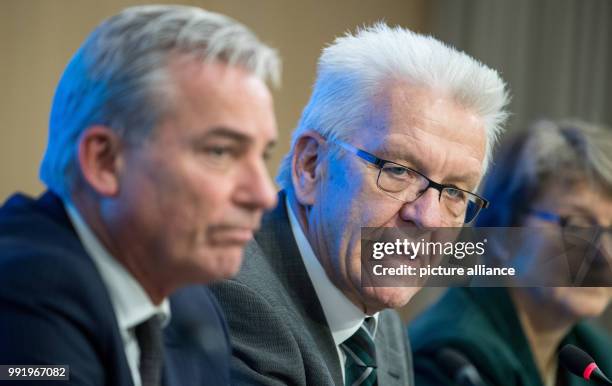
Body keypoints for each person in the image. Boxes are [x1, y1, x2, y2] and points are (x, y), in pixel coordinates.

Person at [210, 23, 509, 386]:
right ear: (310, 166)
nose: (427, 217)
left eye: (455, 193)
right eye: (398, 170)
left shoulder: (380, 326)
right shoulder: (233, 296)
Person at [0, 5, 279, 386]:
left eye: (261, 156)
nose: (264, 195)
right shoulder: (22, 291)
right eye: (220, 151)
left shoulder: (191, 308)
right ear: (105, 161)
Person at [410, 119, 612, 386]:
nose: (604, 254)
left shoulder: (595, 355)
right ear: (502, 232)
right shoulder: (450, 359)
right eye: (577, 225)